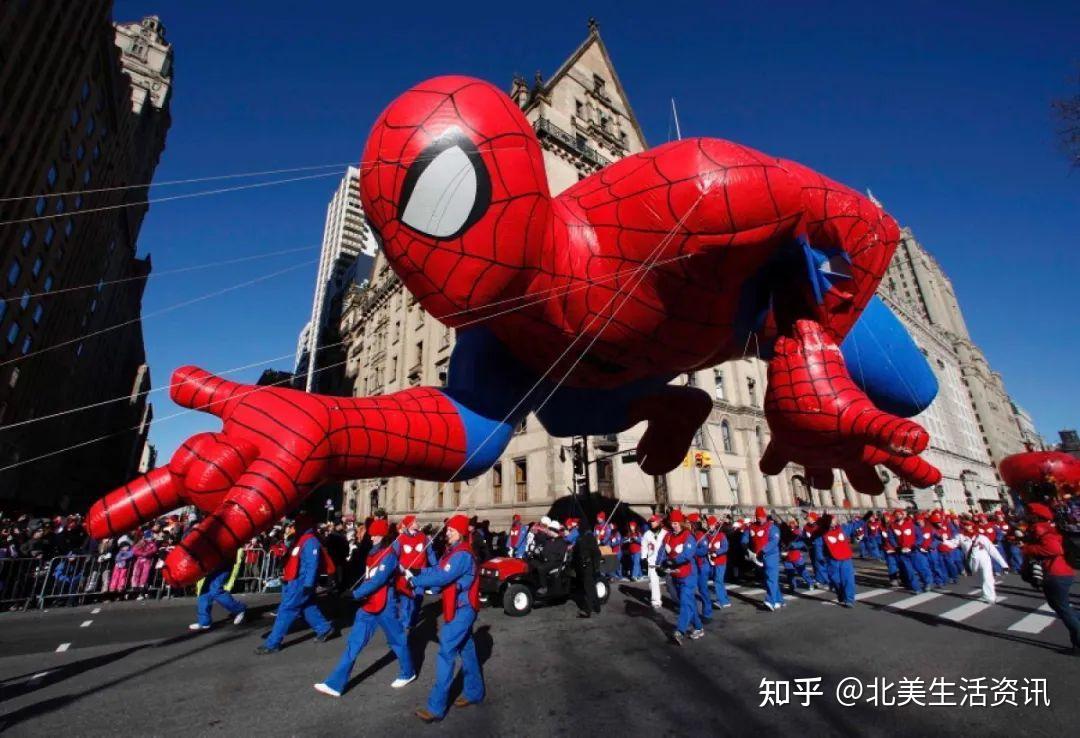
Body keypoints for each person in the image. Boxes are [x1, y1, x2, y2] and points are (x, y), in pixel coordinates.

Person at [315, 518, 416, 697]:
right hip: (369, 604)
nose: (372, 538)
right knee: (354, 643)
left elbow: (378, 581)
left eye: (376, 535)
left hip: (386, 604)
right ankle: (335, 684)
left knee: (397, 641)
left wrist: (354, 594)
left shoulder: (389, 554)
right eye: (372, 534)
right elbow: (369, 577)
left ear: (383, 536)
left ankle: (408, 672)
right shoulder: (373, 552)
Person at [410, 514, 485, 722]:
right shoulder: (452, 552)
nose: (447, 533)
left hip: (463, 609)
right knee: (466, 650)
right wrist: (418, 571)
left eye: (451, 530)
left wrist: (416, 580)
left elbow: (443, 577)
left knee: (446, 652)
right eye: (448, 530)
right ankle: (474, 692)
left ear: (460, 533)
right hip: (457, 608)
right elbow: (437, 569)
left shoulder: (461, 555)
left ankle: (436, 707)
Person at [257, 514, 336, 654]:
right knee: (306, 606)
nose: (294, 527)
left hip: (301, 582)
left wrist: (308, 584)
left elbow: (312, 565)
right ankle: (324, 628)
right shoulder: (301, 539)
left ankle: (272, 643)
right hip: (295, 581)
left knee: (286, 610)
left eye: (297, 524)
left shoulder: (310, 541)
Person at [1022, 502, 1079, 654]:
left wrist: (1028, 548)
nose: (1025, 515)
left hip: (1055, 574)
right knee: (1062, 607)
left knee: (1063, 609)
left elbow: (1054, 549)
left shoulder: (1041, 528)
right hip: (1062, 572)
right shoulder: (1047, 527)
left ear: (1035, 516)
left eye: (1028, 513)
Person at [657, 510, 703, 644]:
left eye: (676, 523)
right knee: (688, 603)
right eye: (672, 523)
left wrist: (673, 561)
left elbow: (688, 554)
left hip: (688, 574)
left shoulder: (688, 536)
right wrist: (659, 564)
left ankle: (680, 631)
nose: (674, 526)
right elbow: (662, 552)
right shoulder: (668, 536)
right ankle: (699, 627)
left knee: (684, 602)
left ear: (682, 523)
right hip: (675, 574)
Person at [395, 515, 436, 631]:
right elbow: (394, 555)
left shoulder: (423, 537)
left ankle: (412, 620)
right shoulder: (400, 539)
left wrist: (436, 566)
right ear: (409, 524)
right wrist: (399, 568)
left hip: (420, 573)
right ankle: (404, 623)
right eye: (414, 521)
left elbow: (430, 553)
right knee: (405, 600)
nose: (417, 523)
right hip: (405, 574)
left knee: (418, 598)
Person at [190, 552, 247, 631]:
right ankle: (204, 622)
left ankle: (239, 609)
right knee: (205, 592)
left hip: (224, 562)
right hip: (213, 563)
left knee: (215, 590)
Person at [958, 520, 1008, 604]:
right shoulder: (961, 537)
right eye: (966, 526)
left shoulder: (982, 537)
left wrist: (1004, 565)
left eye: (970, 526)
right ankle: (987, 590)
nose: (968, 527)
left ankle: (990, 597)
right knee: (979, 579)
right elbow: (952, 543)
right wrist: (944, 542)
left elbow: (993, 551)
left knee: (987, 577)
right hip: (972, 561)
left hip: (984, 559)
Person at [743, 506, 783, 611]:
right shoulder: (751, 527)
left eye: (761, 517)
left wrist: (763, 550)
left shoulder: (772, 527)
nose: (759, 519)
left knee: (771, 578)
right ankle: (779, 600)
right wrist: (745, 546)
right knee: (768, 579)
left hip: (771, 556)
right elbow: (745, 538)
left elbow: (774, 541)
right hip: (757, 557)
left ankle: (770, 601)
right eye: (757, 517)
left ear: (765, 517)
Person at [820, 514, 864, 607]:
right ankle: (840, 593)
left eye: (834, 520)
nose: (834, 521)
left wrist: (867, 516)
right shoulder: (822, 533)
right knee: (835, 580)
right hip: (832, 560)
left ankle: (849, 600)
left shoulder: (843, 529)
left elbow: (854, 526)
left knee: (848, 579)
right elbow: (817, 545)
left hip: (845, 558)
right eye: (832, 520)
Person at [571, 522, 603, 618]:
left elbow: (596, 553)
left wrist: (596, 567)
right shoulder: (580, 537)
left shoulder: (589, 537)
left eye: (579, 527)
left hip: (588, 566)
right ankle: (597, 606)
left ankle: (587, 610)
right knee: (591, 587)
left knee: (587, 588)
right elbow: (576, 552)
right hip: (581, 566)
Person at [688, 513, 713, 622]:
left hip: (702, 565)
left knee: (703, 590)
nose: (687, 525)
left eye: (689, 523)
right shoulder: (689, 534)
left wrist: (693, 551)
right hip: (693, 566)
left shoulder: (701, 534)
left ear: (694, 524)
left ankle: (707, 613)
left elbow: (704, 550)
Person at [642, 514, 667, 610]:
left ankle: (677, 599)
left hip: (663, 560)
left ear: (658, 522)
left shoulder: (665, 533)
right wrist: (643, 558)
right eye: (651, 522)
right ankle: (656, 601)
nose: (651, 523)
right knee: (653, 581)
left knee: (670, 583)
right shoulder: (647, 534)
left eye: (653, 521)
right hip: (651, 561)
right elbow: (644, 546)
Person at [706, 517, 731, 608]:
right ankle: (725, 599)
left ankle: (722, 601)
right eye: (709, 525)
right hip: (712, 562)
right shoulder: (708, 536)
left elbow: (725, 547)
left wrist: (717, 552)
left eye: (712, 525)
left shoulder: (721, 535)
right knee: (718, 581)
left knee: (718, 581)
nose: (710, 527)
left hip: (721, 561)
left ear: (715, 525)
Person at [130, 530, 158, 600]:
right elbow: (134, 550)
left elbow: (154, 549)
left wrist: (147, 553)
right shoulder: (140, 543)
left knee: (145, 574)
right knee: (136, 573)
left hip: (147, 560)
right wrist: (142, 553)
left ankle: (142, 588)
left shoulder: (152, 543)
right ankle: (135, 588)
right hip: (139, 560)